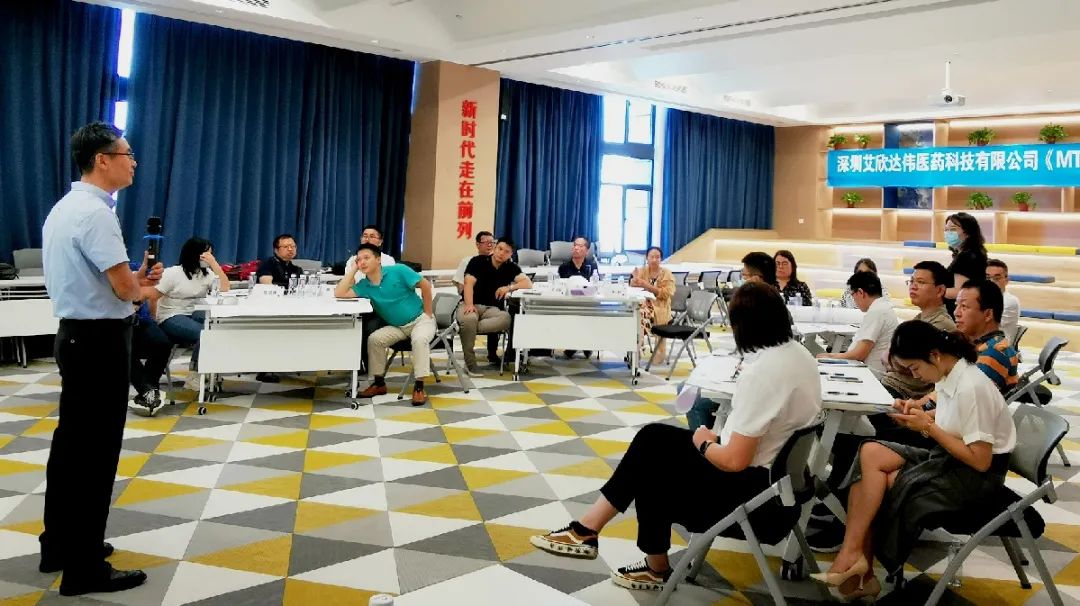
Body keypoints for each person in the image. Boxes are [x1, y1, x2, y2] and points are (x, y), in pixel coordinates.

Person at [529, 282, 822, 592]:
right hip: (782, 490)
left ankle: (626, 552)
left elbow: (734, 461)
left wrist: (703, 442)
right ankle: (590, 531)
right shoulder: (800, 356)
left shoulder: (763, 374)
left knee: (651, 471)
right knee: (653, 440)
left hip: (756, 500)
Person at [812, 320, 1015, 601]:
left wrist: (927, 427)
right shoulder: (951, 374)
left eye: (915, 368)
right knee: (870, 452)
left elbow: (980, 461)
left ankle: (859, 568)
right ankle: (853, 555)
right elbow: (953, 418)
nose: (915, 376)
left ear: (934, 355)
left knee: (882, 483)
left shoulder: (971, 386)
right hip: (948, 459)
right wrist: (917, 415)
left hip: (975, 478)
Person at [39, 122, 150, 595]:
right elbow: (124, 289)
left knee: (71, 448)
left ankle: (58, 544)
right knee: (95, 455)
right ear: (102, 160)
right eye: (127, 154)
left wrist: (135, 281)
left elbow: (104, 278)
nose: (134, 162)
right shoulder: (97, 214)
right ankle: (84, 568)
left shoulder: (65, 208)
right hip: (100, 341)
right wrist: (146, 289)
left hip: (74, 335)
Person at [335, 243, 435, 405]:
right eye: (359, 260)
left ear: (378, 259)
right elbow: (339, 293)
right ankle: (379, 383)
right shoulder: (364, 285)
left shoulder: (398, 270)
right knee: (375, 339)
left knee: (419, 340)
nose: (362, 262)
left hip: (420, 321)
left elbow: (425, 285)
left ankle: (419, 387)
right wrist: (353, 270)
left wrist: (428, 312)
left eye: (366, 258)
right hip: (398, 327)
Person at [147, 238, 230, 389]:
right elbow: (153, 297)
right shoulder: (173, 273)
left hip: (194, 312)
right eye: (206, 254)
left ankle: (212, 370)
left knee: (219, 327)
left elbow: (225, 288)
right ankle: (194, 375)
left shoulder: (207, 274)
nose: (208, 258)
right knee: (205, 333)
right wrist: (154, 320)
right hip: (171, 315)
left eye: (211, 254)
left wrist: (215, 264)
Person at [879, 260, 956, 399]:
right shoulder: (918, 319)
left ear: (939, 290)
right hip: (892, 386)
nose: (913, 286)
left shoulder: (942, 324)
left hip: (905, 395)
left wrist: (892, 358)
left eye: (920, 282)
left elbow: (894, 359)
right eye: (911, 281)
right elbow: (889, 357)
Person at [458, 237, 532, 376]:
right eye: (500, 249)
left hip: (492, 309)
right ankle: (470, 364)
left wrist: (509, 287)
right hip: (471, 304)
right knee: (469, 319)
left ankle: (466, 329)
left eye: (506, 251)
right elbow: (468, 283)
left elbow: (528, 283)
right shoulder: (478, 261)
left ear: (511, 254)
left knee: (506, 318)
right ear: (495, 247)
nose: (501, 253)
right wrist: (469, 304)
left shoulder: (510, 267)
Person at [817, 272, 897, 372]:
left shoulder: (877, 312)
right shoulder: (881, 308)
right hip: (865, 368)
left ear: (860, 292)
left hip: (870, 373)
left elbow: (859, 354)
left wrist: (831, 356)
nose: (853, 299)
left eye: (852, 295)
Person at [629, 246, 676, 364]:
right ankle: (636, 348)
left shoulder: (667, 273)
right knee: (637, 314)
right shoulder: (642, 271)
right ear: (647, 258)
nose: (654, 260)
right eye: (652, 257)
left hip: (661, 307)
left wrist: (647, 285)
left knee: (640, 316)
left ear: (661, 259)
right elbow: (632, 288)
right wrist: (634, 280)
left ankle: (640, 347)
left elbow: (667, 294)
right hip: (643, 305)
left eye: (657, 257)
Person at [558, 236, 599, 359]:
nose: (576, 248)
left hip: (588, 304)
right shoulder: (564, 267)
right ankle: (575, 344)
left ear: (586, 250)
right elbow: (562, 287)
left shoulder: (592, 266)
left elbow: (595, 285)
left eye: (580, 246)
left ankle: (584, 344)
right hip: (569, 304)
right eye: (575, 245)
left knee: (588, 314)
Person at [943, 212, 988, 316]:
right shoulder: (972, 253)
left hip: (960, 313)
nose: (948, 233)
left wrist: (934, 291)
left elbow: (960, 291)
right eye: (946, 230)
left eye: (953, 229)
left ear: (968, 232)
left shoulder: (966, 257)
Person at [986, 259, 1021, 345]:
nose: (991, 282)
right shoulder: (983, 298)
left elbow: (987, 327)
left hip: (998, 348)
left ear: (1006, 280)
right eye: (987, 278)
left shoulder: (1009, 301)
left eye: (997, 278)